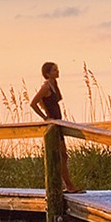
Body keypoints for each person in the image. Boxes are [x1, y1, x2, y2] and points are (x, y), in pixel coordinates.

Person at [29, 61, 82, 193]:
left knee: (63, 155)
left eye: (57, 69)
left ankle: (65, 185)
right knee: (61, 155)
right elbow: (33, 103)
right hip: (53, 125)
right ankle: (68, 186)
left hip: (59, 122)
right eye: (54, 70)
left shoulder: (54, 84)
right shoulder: (46, 87)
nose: (57, 72)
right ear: (47, 73)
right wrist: (45, 117)